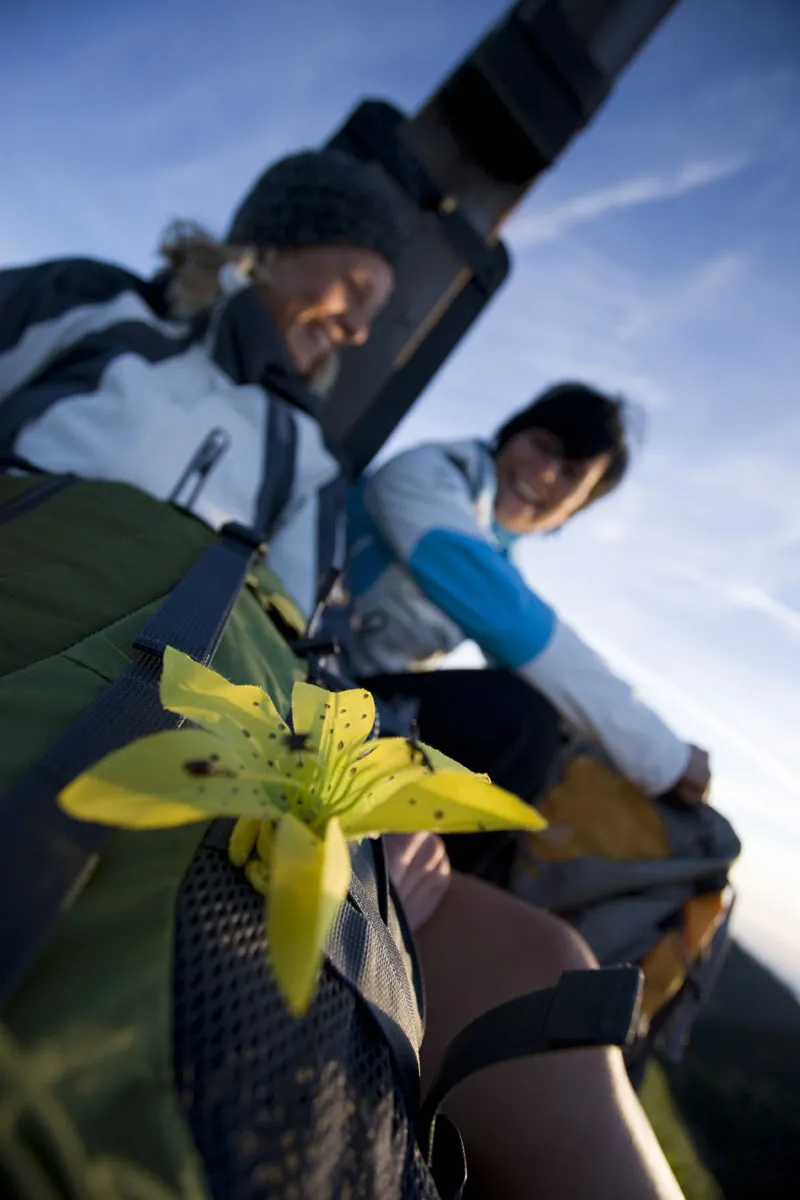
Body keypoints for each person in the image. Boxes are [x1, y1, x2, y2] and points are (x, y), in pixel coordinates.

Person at [0, 169, 686, 1199]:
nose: (363, 326)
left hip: (224, 699)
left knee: (549, 963)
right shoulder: (104, 312)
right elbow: (504, 624)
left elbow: (304, 647)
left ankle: (395, 1025)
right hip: (53, 583)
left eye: (572, 477)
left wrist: (363, 806)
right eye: (356, 286)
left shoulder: (312, 465)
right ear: (274, 243)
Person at [347, 383, 712, 814]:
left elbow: (531, 658)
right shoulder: (425, 476)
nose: (545, 474)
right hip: (299, 665)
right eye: (543, 446)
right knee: (520, 719)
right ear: (511, 435)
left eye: (572, 474)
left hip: (356, 695)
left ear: (571, 511)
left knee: (553, 727)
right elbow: (515, 624)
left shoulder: (498, 557)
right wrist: (662, 756)